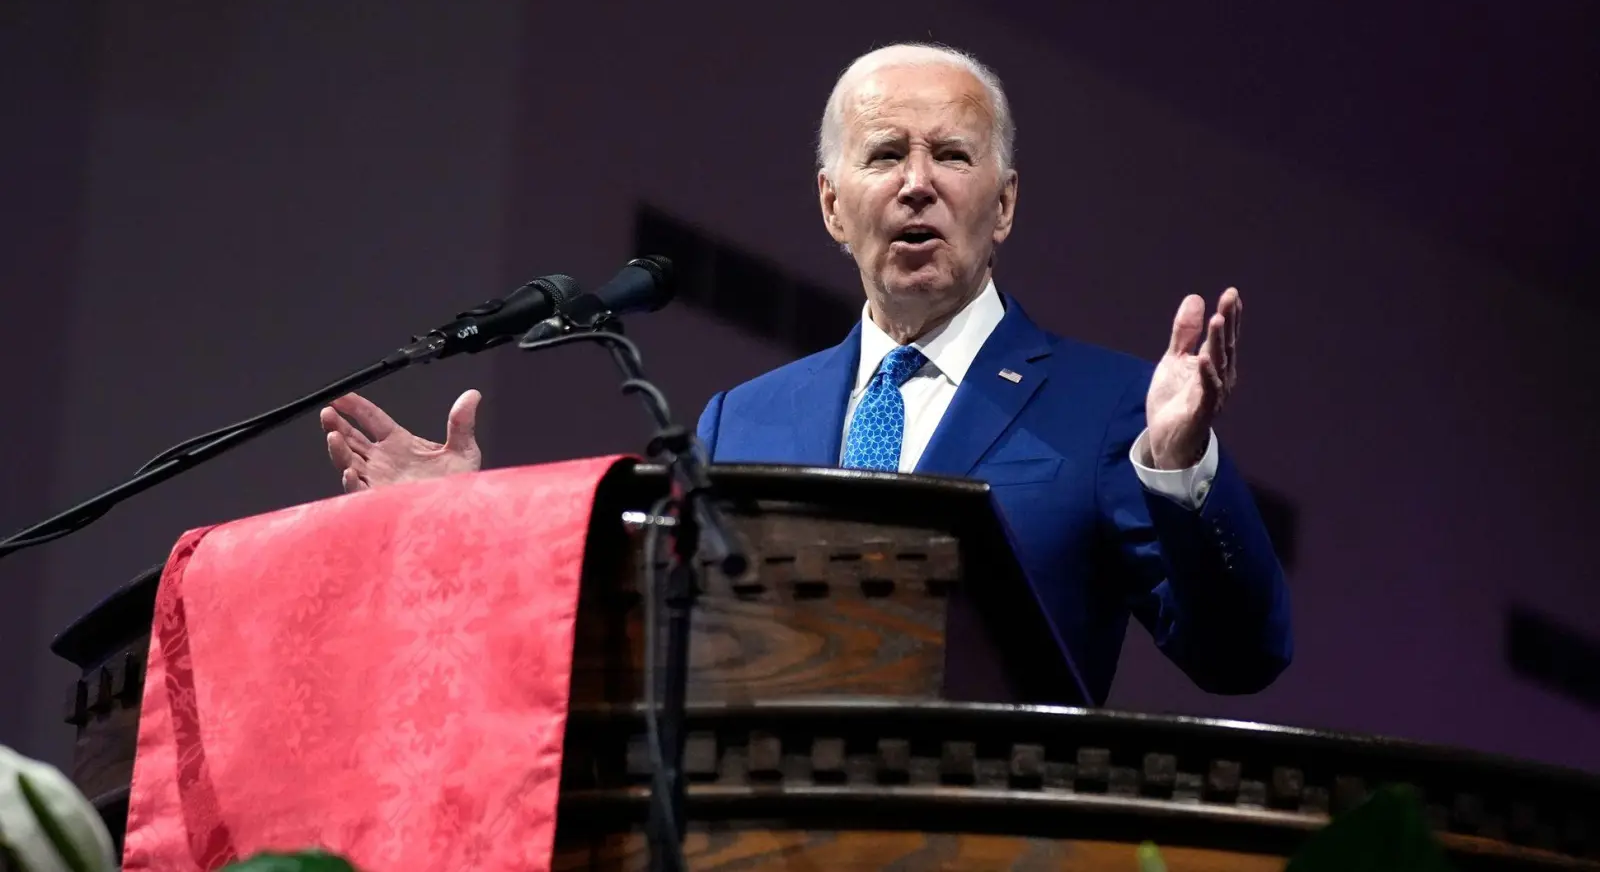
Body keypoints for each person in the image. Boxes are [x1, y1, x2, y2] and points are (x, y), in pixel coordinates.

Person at [319, 43, 1291, 704]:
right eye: (884, 155)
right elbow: (644, 641)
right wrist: (467, 529)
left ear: (1001, 205)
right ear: (834, 205)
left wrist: (1181, 465)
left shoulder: (1104, 405)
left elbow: (1239, 656)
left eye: (951, 154)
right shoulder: (742, 419)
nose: (916, 181)